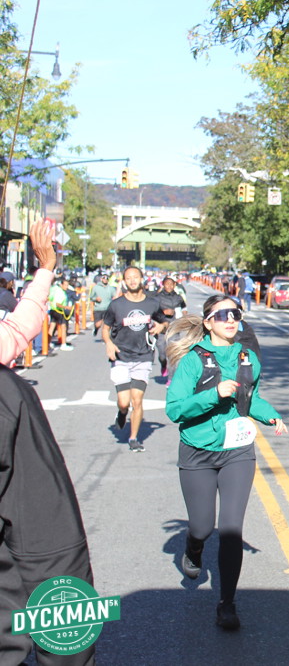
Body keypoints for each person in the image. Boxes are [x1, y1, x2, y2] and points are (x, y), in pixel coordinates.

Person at [0, 220, 95, 666]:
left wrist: (45, 272)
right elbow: (52, 555)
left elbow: (14, 334)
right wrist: (45, 269)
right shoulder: (8, 397)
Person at [165, 295, 287, 631]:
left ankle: (227, 604)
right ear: (208, 322)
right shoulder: (193, 361)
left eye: (235, 313)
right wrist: (214, 394)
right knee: (203, 526)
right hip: (198, 451)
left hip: (237, 451)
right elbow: (174, 409)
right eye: (222, 315)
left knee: (231, 529)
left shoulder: (248, 358)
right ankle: (194, 546)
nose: (231, 319)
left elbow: (251, 398)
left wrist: (271, 415)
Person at [102, 265, 169, 452]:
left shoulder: (152, 303)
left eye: (135, 277)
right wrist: (108, 343)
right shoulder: (116, 305)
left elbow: (164, 321)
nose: (132, 281)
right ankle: (122, 413)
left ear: (142, 279)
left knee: (137, 400)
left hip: (143, 357)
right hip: (121, 357)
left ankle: (134, 438)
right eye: (128, 278)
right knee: (124, 402)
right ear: (124, 281)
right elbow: (105, 329)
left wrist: (160, 327)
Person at [154, 277, 188, 378]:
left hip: (174, 328)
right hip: (161, 329)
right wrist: (164, 312)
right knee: (162, 354)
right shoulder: (157, 297)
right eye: (167, 284)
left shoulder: (178, 297)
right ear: (163, 285)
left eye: (171, 284)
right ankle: (163, 364)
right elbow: (153, 311)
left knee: (172, 354)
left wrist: (184, 316)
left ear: (174, 285)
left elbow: (184, 308)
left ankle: (171, 378)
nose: (169, 286)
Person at [47, 275, 75, 351]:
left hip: (53, 310)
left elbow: (50, 298)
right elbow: (58, 304)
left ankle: (48, 344)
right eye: (65, 285)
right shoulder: (60, 292)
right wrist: (66, 307)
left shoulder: (54, 289)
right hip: (59, 311)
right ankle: (63, 344)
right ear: (61, 285)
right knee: (63, 327)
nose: (66, 287)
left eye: (67, 285)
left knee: (52, 327)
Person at [89, 273, 117, 338]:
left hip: (107, 308)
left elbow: (115, 296)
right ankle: (96, 329)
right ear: (101, 279)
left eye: (107, 279)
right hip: (98, 308)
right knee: (98, 324)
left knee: (106, 325)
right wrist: (96, 299)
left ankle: (105, 337)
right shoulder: (96, 287)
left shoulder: (111, 288)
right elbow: (91, 297)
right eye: (104, 278)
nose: (105, 280)